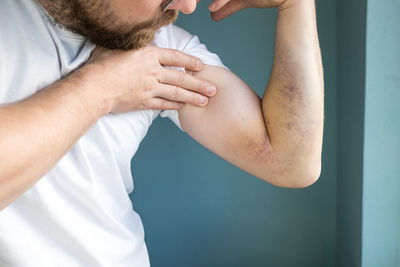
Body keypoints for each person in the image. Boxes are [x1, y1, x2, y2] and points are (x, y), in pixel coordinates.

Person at [0, 0, 324, 265]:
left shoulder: (154, 46)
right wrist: (102, 86)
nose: (187, 6)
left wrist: (295, 6)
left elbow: (290, 161)